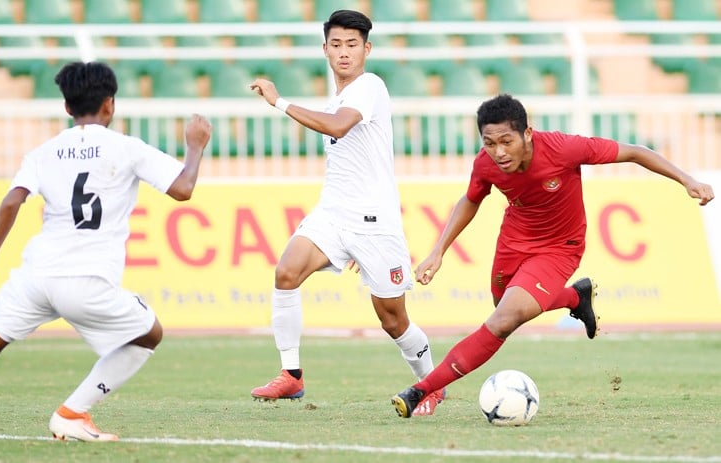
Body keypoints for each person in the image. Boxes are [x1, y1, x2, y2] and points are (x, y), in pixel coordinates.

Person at [0, 61, 212, 446]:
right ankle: (73, 412)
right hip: (88, 280)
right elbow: (183, 189)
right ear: (110, 105)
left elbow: (12, 202)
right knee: (148, 334)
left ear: (67, 107)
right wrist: (194, 147)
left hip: (37, 275)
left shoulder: (44, 152)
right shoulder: (127, 148)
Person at [391, 93, 715, 418]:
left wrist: (688, 180)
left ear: (527, 133)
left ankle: (423, 389)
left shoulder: (563, 149)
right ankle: (575, 297)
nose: (499, 152)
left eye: (507, 141)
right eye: (490, 143)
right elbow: (472, 199)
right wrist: (438, 251)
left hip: (560, 247)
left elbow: (633, 152)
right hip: (514, 240)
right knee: (503, 303)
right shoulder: (486, 163)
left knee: (503, 320)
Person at [248, 9, 443, 416]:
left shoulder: (369, 86)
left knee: (393, 320)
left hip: (374, 222)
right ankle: (292, 376)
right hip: (333, 214)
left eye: (352, 45)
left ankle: (431, 383)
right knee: (286, 272)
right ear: (325, 49)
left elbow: (338, 127)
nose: (344, 52)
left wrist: (279, 102)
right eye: (336, 44)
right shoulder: (338, 95)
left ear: (366, 49)